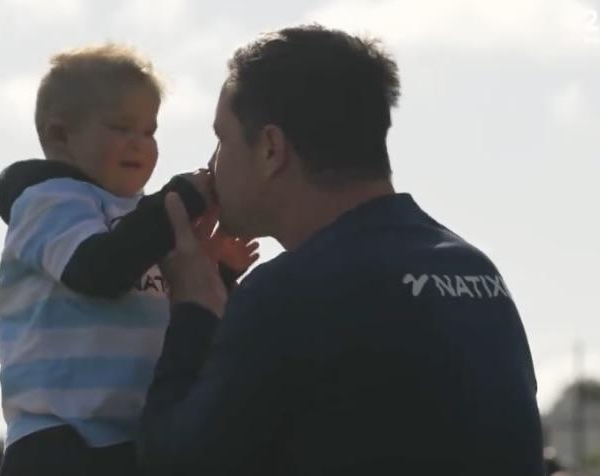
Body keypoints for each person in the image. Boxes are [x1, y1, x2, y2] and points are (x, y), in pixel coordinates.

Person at [137, 25, 545, 475]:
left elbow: (173, 464)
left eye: (222, 139)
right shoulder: (474, 270)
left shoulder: (288, 292)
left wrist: (194, 306)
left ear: (271, 149)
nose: (211, 165)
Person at [0, 44, 258, 476]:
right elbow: (97, 269)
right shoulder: (49, 201)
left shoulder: (139, 222)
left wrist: (216, 272)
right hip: (59, 440)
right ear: (60, 136)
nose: (140, 144)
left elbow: (177, 315)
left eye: (150, 132)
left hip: (127, 436)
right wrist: (179, 200)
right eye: (121, 127)